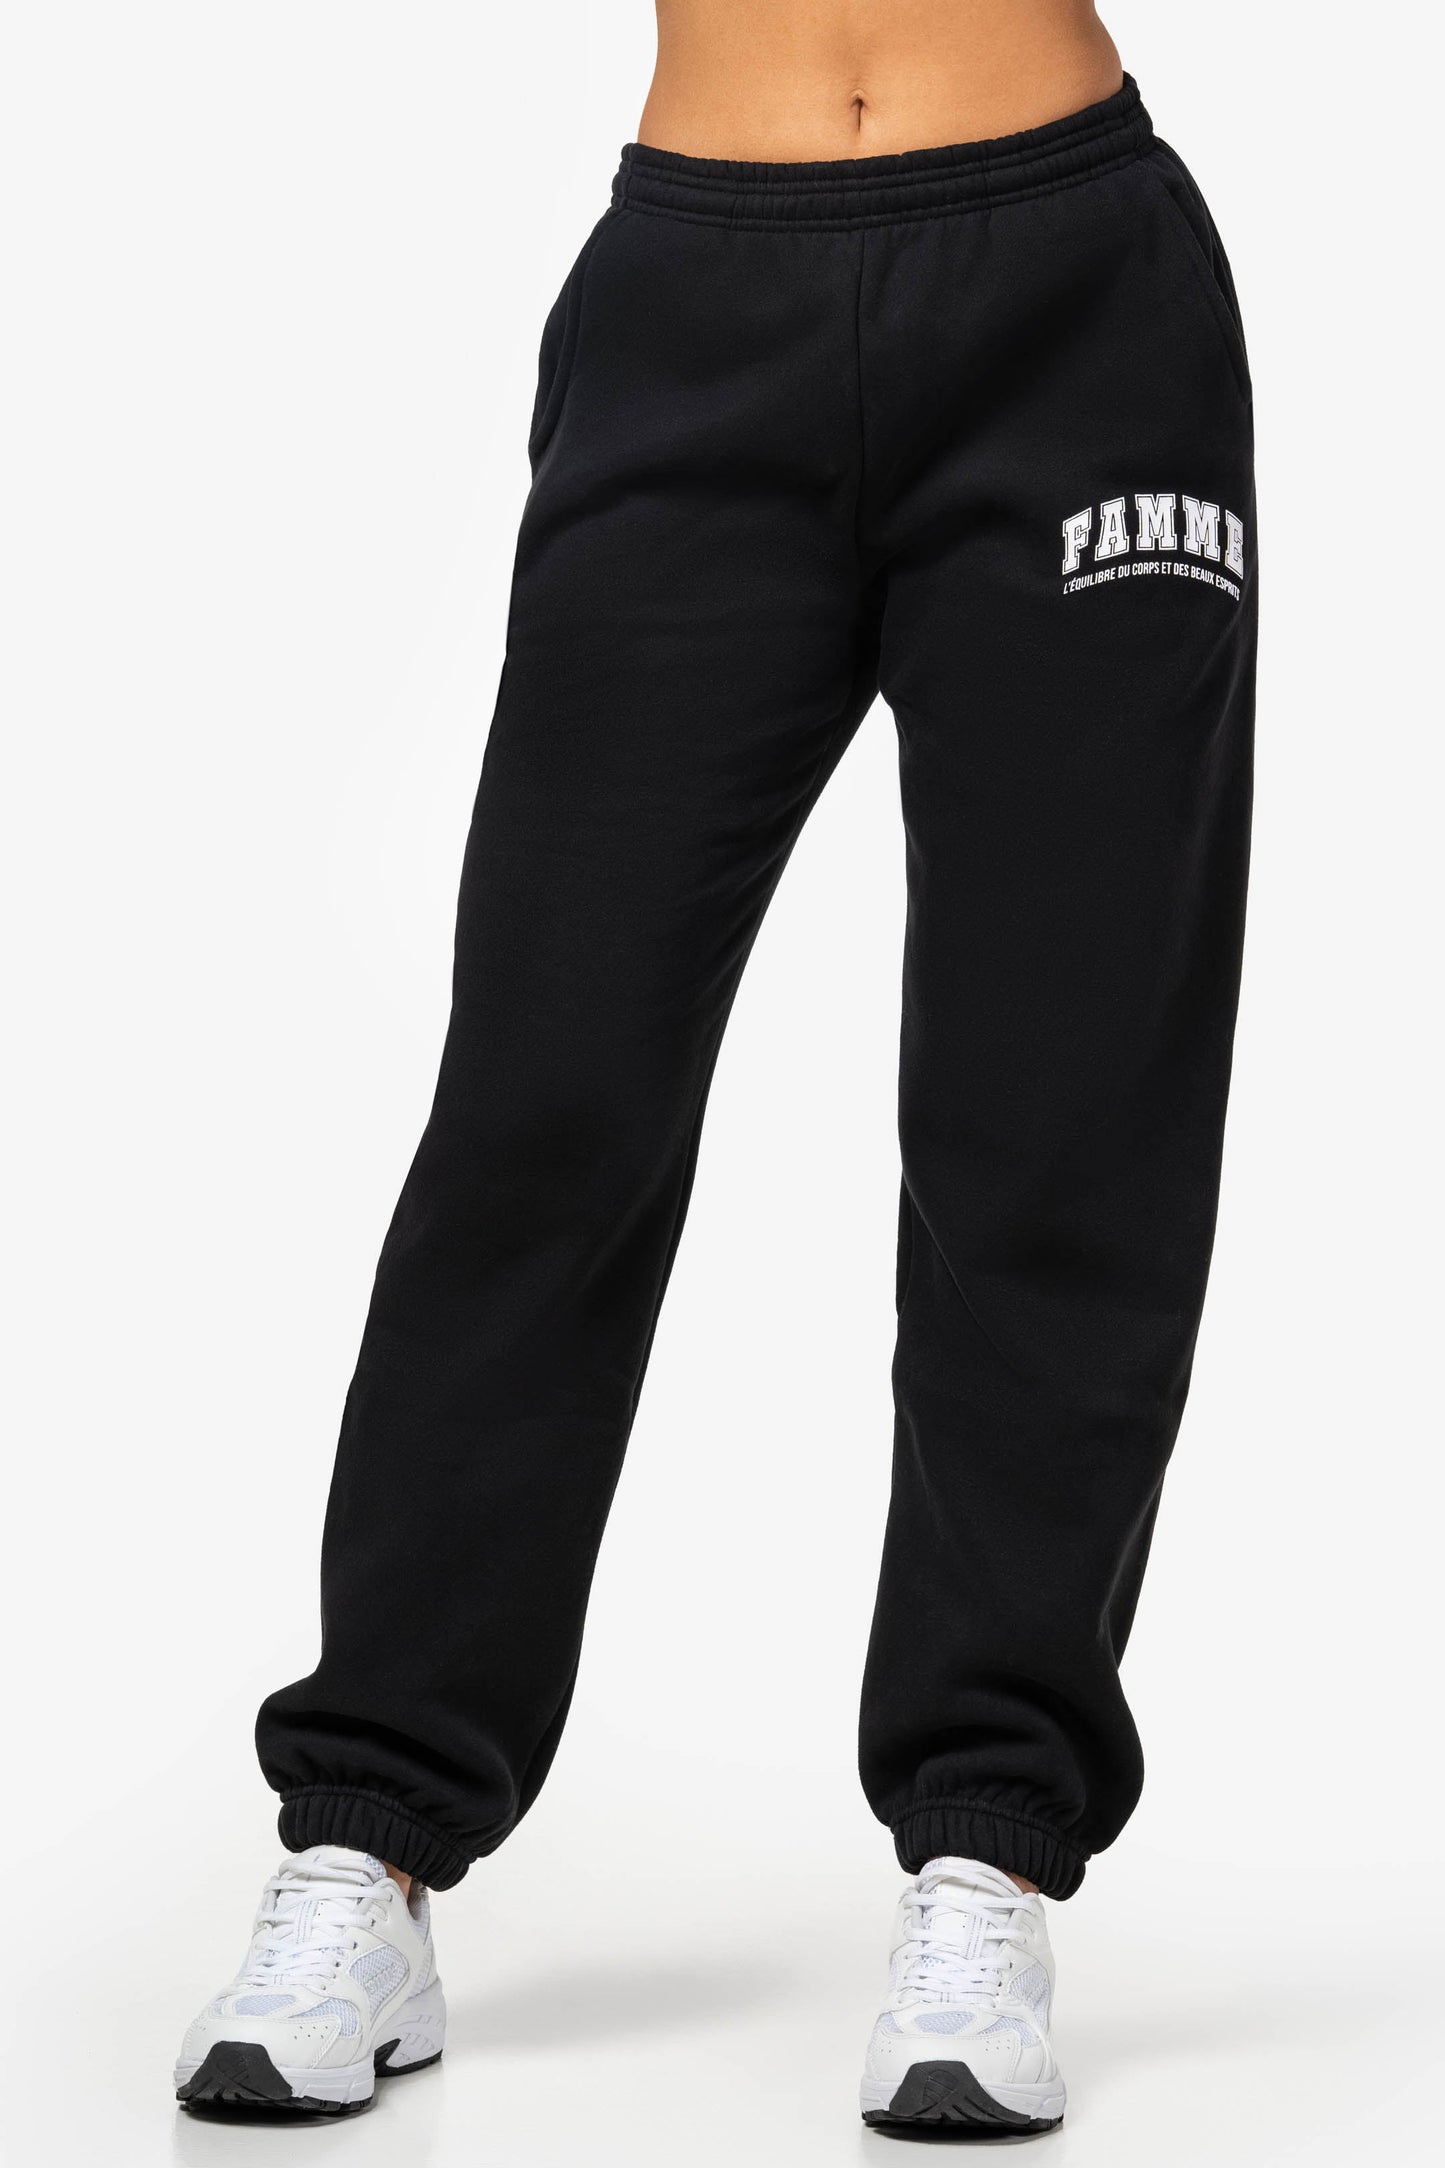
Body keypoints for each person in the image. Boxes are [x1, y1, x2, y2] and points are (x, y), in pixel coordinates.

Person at [174, 0, 1254, 2133]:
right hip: (694, 295)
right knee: (546, 1094)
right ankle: (369, 1838)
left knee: (1057, 1111)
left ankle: (985, 1849)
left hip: (1078, 297)